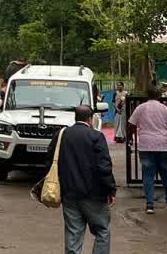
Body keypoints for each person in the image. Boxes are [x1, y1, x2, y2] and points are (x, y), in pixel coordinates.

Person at [47, 105, 116, 254]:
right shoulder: (96, 136)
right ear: (90, 119)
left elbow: (50, 160)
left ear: (75, 118)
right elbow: (104, 167)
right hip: (94, 195)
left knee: (73, 234)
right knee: (102, 230)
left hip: (69, 194)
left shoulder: (62, 135)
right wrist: (110, 190)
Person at [128, 86, 167, 214]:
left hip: (146, 146)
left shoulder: (140, 108)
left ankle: (150, 205)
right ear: (159, 96)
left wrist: (130, 138)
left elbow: (130, 125)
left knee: (148, 175)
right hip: (163, 146)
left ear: (147, 95)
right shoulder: (165, 109)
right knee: (166, 175)